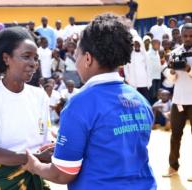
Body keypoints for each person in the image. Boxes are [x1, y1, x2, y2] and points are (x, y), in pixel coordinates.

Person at [23, 13, 157, 190]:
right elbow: (116, 147)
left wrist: (34, 166)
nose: (76, 60)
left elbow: (62, 173)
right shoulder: (141, 101)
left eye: (77, 55)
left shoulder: (79, 105)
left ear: (87, 59)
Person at [0, 27, 54, 190]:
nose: (33, 63)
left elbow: (43, 137)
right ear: (6, 58)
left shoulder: (40, 96)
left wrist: (55, 146)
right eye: (26, 57)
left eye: (36, 58)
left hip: (32, 175)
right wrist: (35, 158)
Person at [162, 23, 192, 181]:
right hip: (179, 101)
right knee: (175, 135)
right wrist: (172, 72)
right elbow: (171, 80)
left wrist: (188, 69)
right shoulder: (175, 53)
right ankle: (173, 166)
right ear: (180, 36)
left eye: (191, 36)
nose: (188, 39)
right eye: (185, 36)